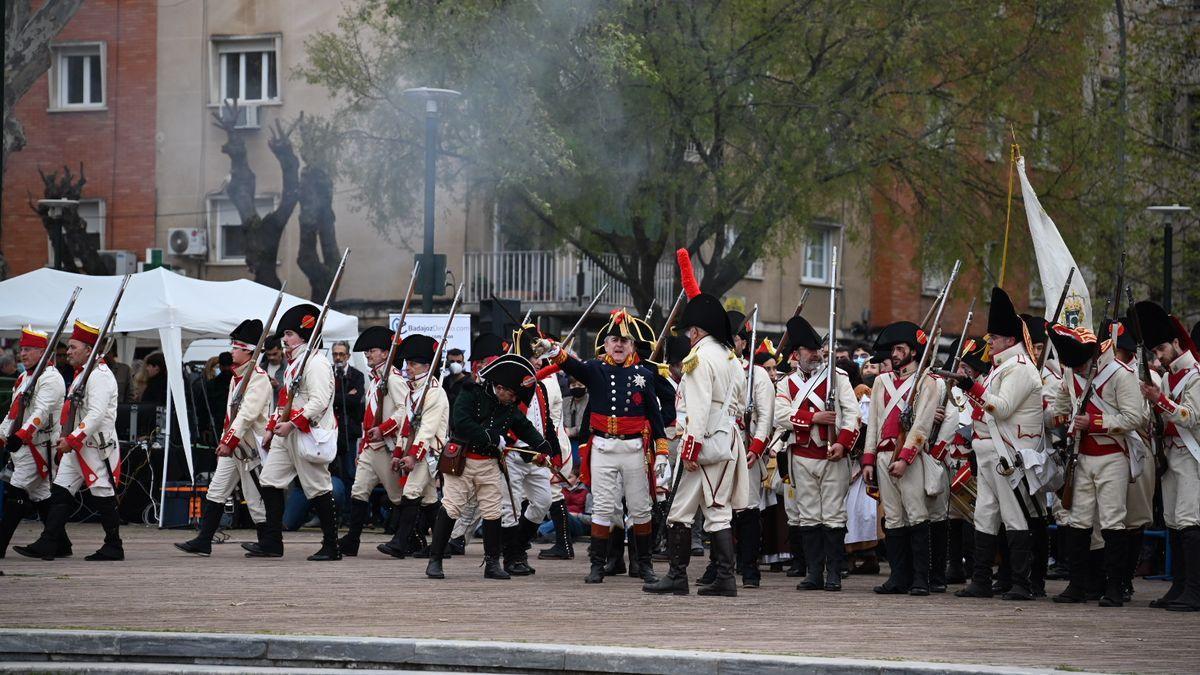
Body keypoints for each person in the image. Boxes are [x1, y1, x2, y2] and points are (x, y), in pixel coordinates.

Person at [644, 250, 745, 597]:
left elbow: (698, 410)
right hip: (723, 438)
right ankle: (693, 576)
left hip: (704, 444)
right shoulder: (730, 357)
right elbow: (739, 403)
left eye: (689, 330)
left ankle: (715, 578)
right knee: (685, 509)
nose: (687, 336)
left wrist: (690, 448)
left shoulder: (699, 359)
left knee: (713, 512)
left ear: (698, 330)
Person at [545, 311, 668, 584]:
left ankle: (644, 565)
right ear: (606, 345)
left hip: (634, 448)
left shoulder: (644, 375)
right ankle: (597, 565)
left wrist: (662, 451)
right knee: (602, 507)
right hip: (602, 447)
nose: (619, 345)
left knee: (640, 508)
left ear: (633, 346)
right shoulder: (595, 369)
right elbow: (569, 364)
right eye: (614, 340)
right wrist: (553, 350)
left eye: (625, 340)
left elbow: (655, 416)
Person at [424, 353, 554, 580]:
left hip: (489, 464)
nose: (513, 400)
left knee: (493, 511)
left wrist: (542, 444)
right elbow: (461, 422)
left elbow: (523, 426)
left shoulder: (509, 405)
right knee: (452, 507)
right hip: (462, 461)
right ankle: (435, 560)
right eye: (511, 394)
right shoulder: (470, 392)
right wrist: (490, 436)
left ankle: (492, 563)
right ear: (501, 388)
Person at [951, 288, 1043, 601]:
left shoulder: (1018, 368)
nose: (989, 342)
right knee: (985, 515)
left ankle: (1021, 582)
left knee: (1014, 517)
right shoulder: (1002, 367)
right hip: (988, 453)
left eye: (993, 338)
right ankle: (980, 579)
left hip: (1008, 453)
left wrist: (971, 385)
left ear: (1007, 339)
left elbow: (1000, 408)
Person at [1046, 322, 1142, 607]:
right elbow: (1063, 404)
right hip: (1081, 456)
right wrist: (1048, 415)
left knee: (1112, 521)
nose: (1076, 372)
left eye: (1079, 366)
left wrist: (1097, 423)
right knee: (1079, 520)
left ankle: (1114, 586)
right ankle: (1078, 583)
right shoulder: (1069, 371)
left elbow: (1134, 418)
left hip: (1112, 455)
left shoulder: (1120, 376)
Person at [15, 319, 122, 562]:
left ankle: (114, 545)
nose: (69, 352)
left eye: (74, 347)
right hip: (78, 445)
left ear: (88, 349)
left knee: (102, 494)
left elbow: (95, 414)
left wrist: (71, 440)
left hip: (95, 445)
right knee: (61, 492)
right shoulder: (84, 374)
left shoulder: (100, 376)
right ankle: (49, 542)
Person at [245, 303, 340, 561]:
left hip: (308, 432)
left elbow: (319, 401)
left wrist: (292, 424)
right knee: (270, 480)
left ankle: (332, 545)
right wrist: (272, 427)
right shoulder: (296, 363)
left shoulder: (316, 363)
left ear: (304, 335)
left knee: (318, 487)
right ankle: (272, 542)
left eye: (289, 334)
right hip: (288, 432)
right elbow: (286, 398)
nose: (284, 340)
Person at [772, 315, 860, 592]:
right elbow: (780, 415)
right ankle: (813, 573)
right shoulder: (786, 384)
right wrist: (814, 418)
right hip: (801, 456)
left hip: (831, 454)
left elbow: (852, 415)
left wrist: (842, 444)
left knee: (833, 516)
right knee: (808, 517)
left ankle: (833, 572)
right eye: (809, 350)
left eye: (818, 348)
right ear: (797, 354)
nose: (816, 354)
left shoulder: (837, 376)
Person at [175, 320, 272, 557]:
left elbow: (247, 416)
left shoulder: (257, 378)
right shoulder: (236, 378)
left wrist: (228, 442)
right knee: (216, 491)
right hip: (234, 446)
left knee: (254, 496)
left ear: (249, 351)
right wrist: (225, 441)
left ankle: (268, 543)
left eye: (237, 347)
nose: (232, 351)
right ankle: (203, 540)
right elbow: (231, 417)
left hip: (248, 448)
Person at [862, 321, 945, 597]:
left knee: (917, 516)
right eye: (894, 349)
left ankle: (921, 578)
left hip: (909, 459)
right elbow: (873, 424)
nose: (895, 354)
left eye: (900, 349)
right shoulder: (880, 382)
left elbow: (921, 427)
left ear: (913, 351)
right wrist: (868, 460)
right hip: (883, 456)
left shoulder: (926, 382)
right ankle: (898, 577)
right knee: (894, 519)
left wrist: (905, 458)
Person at [1132, 300, 1200, 611]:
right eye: (1154, 351)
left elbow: (1190, 417)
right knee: (1173, 520)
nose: (1158, 356)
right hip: (1172, 455)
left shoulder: (1195, 375)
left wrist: (1161, 400)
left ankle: (1194, 590)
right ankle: (1180, 585)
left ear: (1176, 342)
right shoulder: (1171, 376)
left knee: (1188, 520)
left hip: (1191, 455)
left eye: (1161, 348)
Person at [366, 332, 450, 558]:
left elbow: (427, 430)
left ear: (426, 366)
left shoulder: (434, 392)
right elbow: (405, 426)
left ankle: (400, 542)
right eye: (407, 363)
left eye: (413, 364)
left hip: (429, 450)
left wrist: (413, 455)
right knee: (431, 499)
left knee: (411, 492)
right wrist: (398, 452)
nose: (408, 368)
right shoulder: (413, 390)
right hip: (417, 449)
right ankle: (441, 546)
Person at [498, 323, 570, 577]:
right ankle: (510, 557)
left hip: (537, 457)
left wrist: (554, 451)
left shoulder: (539, 385)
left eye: (539, 358)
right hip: (514, 455)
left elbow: (546, 421)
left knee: (543, 502)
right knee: (511, 508)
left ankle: (519, 546)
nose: (538, 362)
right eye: (533, 358)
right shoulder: (509, 388)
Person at [1, 327, 66, 558]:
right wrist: (3, 433)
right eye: (22, 349)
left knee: (14, 491)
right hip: (24, 446)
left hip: (38, 446)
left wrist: (21, 435)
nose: (23, 353)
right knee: (41, 494)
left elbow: (40, 412)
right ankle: (61, 543)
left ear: (42, 351)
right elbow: (14, 412)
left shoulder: (51, 378)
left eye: (28, 349)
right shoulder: (25, 376)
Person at [331, 340, 365, 486]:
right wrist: (346, 396)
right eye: (335, 354)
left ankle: (348, 507)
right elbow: (325, 399)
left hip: (349, 430)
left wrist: (335, 396)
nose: (338, 357)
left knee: (349, 471)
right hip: (331, 430)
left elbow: (355, 400)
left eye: (341, 354)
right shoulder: (327, 373)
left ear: (348, 356)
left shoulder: (357, 375)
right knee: (332, 469)